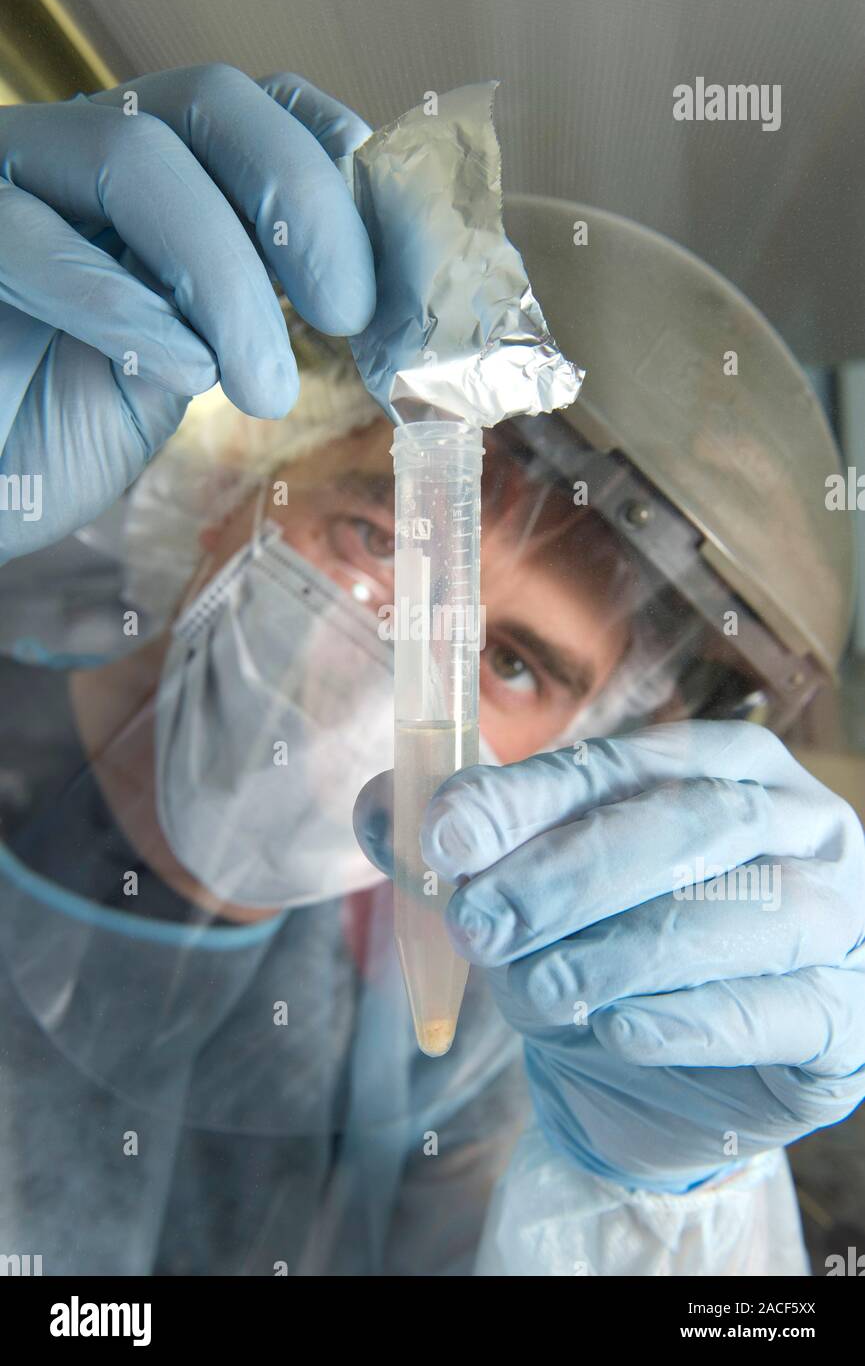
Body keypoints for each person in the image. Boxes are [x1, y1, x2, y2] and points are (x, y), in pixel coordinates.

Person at [0, 65, 862, 1276]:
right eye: (371, 536)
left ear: (580, 756)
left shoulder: (457, 1054)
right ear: (231, 494)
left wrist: (667, 1200)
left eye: (510, 662)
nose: (407, 663)